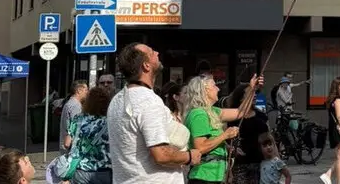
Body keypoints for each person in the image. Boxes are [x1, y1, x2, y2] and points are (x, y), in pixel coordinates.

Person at [107, 42, 202, 184]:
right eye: (152, 53)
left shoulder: (117, 100)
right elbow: (161, 154)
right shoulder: (148, 100)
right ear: (146, 66)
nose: (157, 53)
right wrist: (189, 156)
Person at [182, 75, 255, 184]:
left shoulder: (212, 111)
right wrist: (225, 135)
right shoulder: (198, 114)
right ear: (204, 90)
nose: (218, 89)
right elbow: (200, 147)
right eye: (214, 85)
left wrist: (252, 89)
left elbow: (241, 112)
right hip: (204, 177)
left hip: (214, 177)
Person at [66, 87, 112, 184]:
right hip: (104, 171)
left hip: (80, 171)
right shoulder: (110, 122)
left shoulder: (78, 119)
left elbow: (67, 143)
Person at [321, 78, 340, 184]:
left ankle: (328, 174)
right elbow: (339, 117)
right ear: (338, 86)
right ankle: (338, 181)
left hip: (336, 129)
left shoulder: (334, 99)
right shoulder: (338, 99)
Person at [61, 81, 89, 155]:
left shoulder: (70, 103)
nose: (87, 92)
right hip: (72, 150)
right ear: (79, 90)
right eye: (86, 90)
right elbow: (76, 129)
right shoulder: (75, 106)